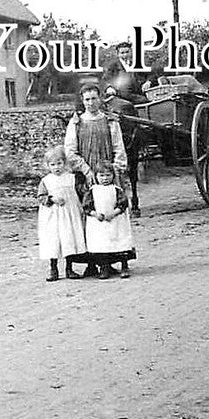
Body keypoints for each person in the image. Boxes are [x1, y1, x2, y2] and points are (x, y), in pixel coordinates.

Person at [64, 82, 128, 276]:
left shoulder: (110, 121)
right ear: (82, 101)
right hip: (87, 177)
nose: (90, 103)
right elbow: (70, 151)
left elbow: (119, 147)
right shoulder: (76, 122)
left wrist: (115, 170)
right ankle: (92, 263)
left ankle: (112, 260)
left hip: (108, 174)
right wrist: (86, 170)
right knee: (90, 217)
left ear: (100, 99)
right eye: (87, 99)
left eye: (94, 98)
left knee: (113, 215)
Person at [36, 146, 86, 281]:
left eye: (59, 163)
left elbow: (81, 192)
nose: (56, 167)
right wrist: (51, 199)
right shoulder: (46, 181)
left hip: (69, 214)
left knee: (69, 239)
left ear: (64, 163)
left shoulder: (71, 178)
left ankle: (69, 268)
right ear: (47, 166)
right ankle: (53, 269)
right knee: (54, 240)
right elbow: (41, 197)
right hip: (53, 215)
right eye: (52, 164)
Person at [83, 166, 136, 279]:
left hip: (116, 221)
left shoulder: (116, 189)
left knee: (120, 242)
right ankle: (104, 267)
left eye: (108, 175)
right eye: (101, 175)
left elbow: (123, 203)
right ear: (96, 176)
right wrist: (95, 214)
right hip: (99, 223)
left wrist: (114, 213)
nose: (105, 178)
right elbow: (87, 206)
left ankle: (124, 266)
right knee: (102, 245)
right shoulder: (93, 191)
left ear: (113, 176)